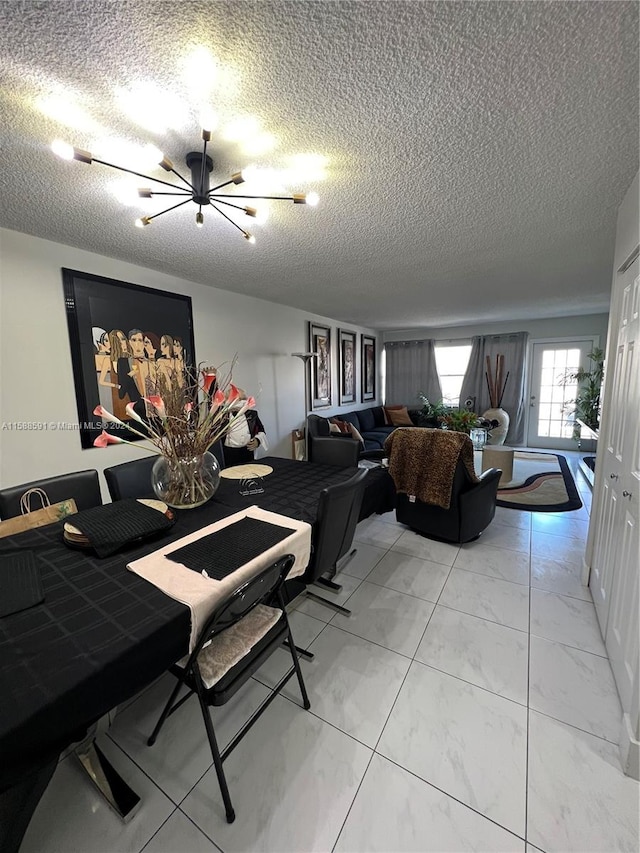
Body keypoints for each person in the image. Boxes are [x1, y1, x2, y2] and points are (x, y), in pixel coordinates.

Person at [223, 391, 269, 466]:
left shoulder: (252, 414)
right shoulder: (222, 417)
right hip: (228, 453)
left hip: (247, 451)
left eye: (243, 399)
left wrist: (257, 440)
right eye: (238, 399)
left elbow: (261, 430)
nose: (241, 401)